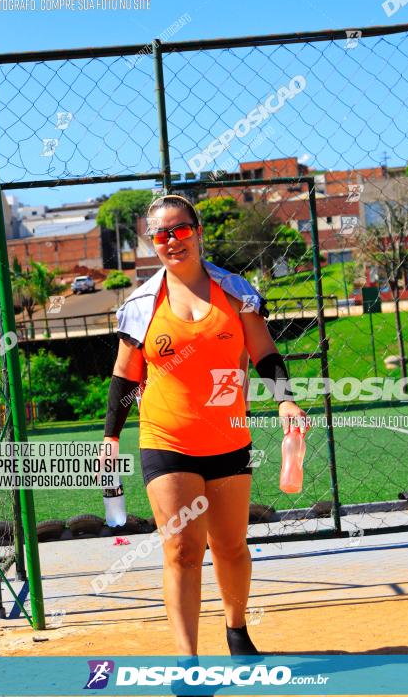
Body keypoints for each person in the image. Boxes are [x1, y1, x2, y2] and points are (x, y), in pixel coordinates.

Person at [102, 194, 306, 659]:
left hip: (228, 437)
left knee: (231, 547)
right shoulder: (140, 304)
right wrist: (111, 437)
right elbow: (124, 377)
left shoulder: (236, 292)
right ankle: (187, 659)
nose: (172, 240)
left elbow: (266, 353)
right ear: (151, 242)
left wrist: (286, 401)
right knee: (181, 551)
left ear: (197, 231)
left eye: (181, 229)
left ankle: (237, 631)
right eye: (161, 234)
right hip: (166, 439)